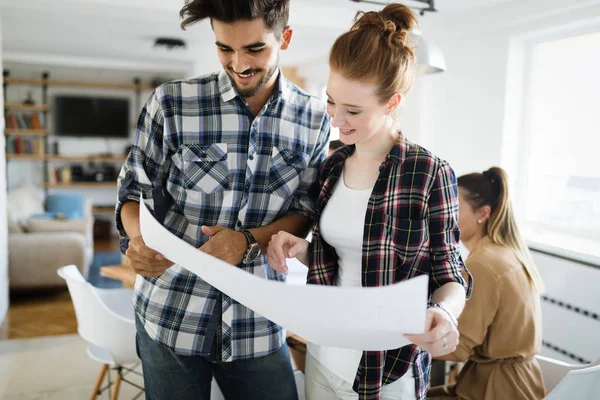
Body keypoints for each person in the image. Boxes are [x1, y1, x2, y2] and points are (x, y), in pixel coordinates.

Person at [115, 0, 331, 399]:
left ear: (285, 38)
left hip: (260, 321)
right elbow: (133, 192)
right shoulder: (172, 102)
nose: (239, 64)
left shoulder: (315, 119)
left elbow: (305, 210)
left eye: (254, 49)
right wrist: (137, 239)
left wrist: (248, 240)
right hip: (171, 313)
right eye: (224, 48)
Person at [267, 4, 472, 400]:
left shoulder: (428, 172)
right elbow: (346, 259)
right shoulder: (333, 164)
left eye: (353, 110)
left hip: (388, 368)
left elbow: (452, 274)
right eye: (331, 101)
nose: (336, 118)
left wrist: (445, 313)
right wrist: (303, 249)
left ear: (392, 103)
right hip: (324, 354)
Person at [427, 167, 546, 400]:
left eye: (454, 206)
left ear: (482, 213)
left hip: (495, 390)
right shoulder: (506, 252)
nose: (444, 213)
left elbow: (457, 348)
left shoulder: (483, 264)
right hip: (523, 385)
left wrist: (400, 332)